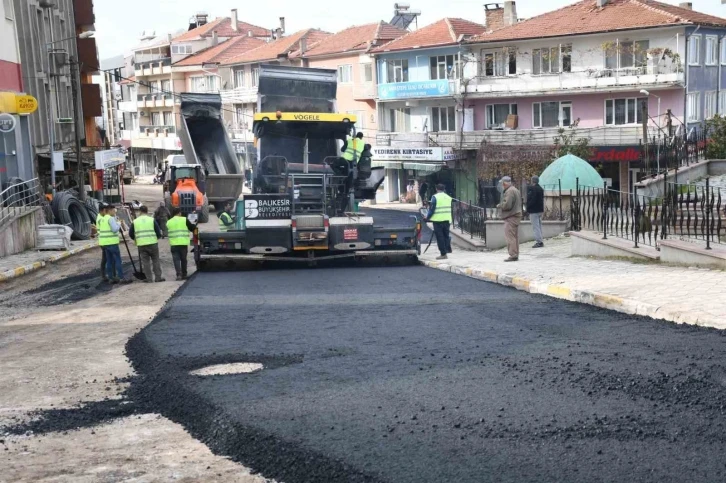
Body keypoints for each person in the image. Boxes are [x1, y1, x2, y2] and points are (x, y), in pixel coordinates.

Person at [129, 205, 165, 283]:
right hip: (153, 243)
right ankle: (158, 277)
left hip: (141, 244)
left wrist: (136, 239)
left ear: (140, 211)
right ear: (147, 211)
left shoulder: (135, 221)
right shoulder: (152, 220)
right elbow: (158, 232)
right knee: (155, 260)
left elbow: (131, 233)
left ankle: (149, 279)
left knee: (146, 262)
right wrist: (156, 238)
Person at [99, 204, 130, 283]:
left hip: (105, 243)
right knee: (117, 260)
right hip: (112, 243)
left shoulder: (102, 219)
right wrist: (119, 224)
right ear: (109, 210)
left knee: (109, 261)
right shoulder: (110, 219)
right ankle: (121, 277)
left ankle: (111, 278)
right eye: (113, 211)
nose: (114, 212)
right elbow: (114, 229)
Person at [167, 207, 197, 280]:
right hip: (183, 244)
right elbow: (192, 228)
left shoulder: (169, 222)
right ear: (179, 213)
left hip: (174, 244)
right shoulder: (184, 219)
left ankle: (178, 275)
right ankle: (184, 274)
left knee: (176, 260)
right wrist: (194, 224)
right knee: (183, 259)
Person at [497, 176, 523, 262]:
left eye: (502, 184)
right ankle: (515, 254)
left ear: (504, 183)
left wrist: (500, 205)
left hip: (511, 216)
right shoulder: (515, 190)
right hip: (516, 216)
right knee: (514, 236)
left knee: (510, 237)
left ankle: (513, 255)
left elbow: (507, 205)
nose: (501, 185)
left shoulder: (509, 191)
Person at [426, 184, 453, 260]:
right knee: (446, 236)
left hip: (438, 221)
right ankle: (447, 249)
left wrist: (427, 217)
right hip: (447, 220)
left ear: (436, 189)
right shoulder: (448, 197)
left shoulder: (435, 197)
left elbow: (432, 209)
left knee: (440, 237)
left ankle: (443, 254)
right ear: (444, 189)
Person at [527, 175, 545, 248]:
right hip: (540, 210)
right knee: (539, 226)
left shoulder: (532, 189)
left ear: (532, 181)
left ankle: (539, 242)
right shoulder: (540, 188)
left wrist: (528, 207)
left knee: (535, 227)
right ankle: (540, 240)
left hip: (534, 210)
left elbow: (532, 200)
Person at [93, 203, 109, 281]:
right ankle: (104, 275)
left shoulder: (101, 217)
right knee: (105, 258)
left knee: (105, 258)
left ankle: (105, 275)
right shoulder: (100, 219)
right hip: (104, 241)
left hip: (104, 240)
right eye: (105, 211)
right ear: (102, 210)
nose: (106, 212)